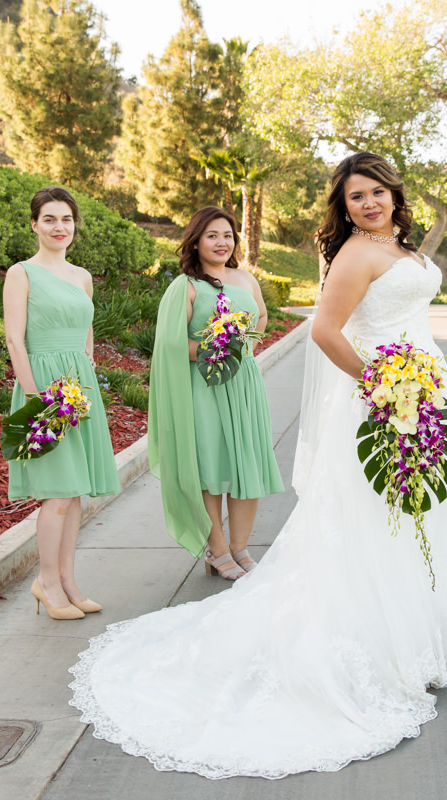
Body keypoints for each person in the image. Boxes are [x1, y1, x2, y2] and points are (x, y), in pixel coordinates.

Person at [69, 153, 447, 778]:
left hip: (428, 385)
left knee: (436, 500)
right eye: (355, 197)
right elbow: (326, 331)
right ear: (343, 209)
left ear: (396, 194)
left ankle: (438, 622)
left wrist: (417, 383)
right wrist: (383, 384)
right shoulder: (353, 256)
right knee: (381, 509)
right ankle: (387, 633)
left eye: (376, 192)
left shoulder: (406, 250)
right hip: (384, 391)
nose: (368, 203)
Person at [3, 186, 121, 620]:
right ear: (34, 224)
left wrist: (84, 373)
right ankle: (46, 582)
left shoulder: (82, 276)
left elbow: (87, 331)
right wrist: (36, 399)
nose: (59, 227)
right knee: (55, 495)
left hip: (77, 388)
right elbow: (15, 339)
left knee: (73, 495)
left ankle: (68, 581)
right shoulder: (22, 273)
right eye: (49, 219)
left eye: (66, 219)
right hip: (42, 389)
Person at [147, 206, 283, 579]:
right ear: (195, 240)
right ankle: (217, 549)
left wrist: (241, 345)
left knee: (246, 465)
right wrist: (217, 348)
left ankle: (240, 548)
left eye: (227, 235)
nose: (222, 242)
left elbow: (262, 320)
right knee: (211, 468)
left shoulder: (246, 279)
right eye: (212, 235)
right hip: (204, 387)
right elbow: (172, 346)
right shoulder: (186, 286)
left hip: (243, 386)